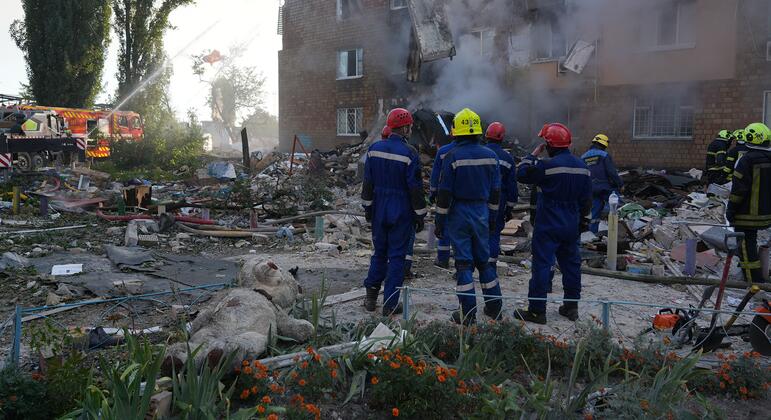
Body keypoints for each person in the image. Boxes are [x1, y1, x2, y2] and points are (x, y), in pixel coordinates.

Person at [514, 123, 592, 324]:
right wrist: (583, 221)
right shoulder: (583, 168)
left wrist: (532, 155)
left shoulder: (546, 167)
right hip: (571, 224)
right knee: (572, 266)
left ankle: (537, 311)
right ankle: (571, 307)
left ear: (549, 145)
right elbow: (587, 201)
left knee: (542, 266)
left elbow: (521, 173)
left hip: (548, 223)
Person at [435, 108, 502, 325]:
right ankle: (494, 306)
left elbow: (444, 193)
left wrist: (440, 222)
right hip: (481, 212)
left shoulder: (453, 156)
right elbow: (495, 192)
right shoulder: (491, 156)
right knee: (484, 261)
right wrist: (492, 218)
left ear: (457, 131)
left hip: (459, 213)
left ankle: (467, 312)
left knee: (464, 263)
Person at [362, 109, 427, 315]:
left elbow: (368, 183)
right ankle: (390, 305)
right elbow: (415, 188)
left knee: (378, 254)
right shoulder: (410, 153)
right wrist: (420, 214)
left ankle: (370, 298)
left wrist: (368, 208)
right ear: (406, 127)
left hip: (380, 208)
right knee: (397, 257)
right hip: (401, 210)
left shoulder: (374, 149)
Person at [727, 122, 771, 284]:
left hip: (746, 215)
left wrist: (731, 210)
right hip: (766, 213)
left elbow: (738, 190)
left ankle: (753, 282)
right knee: (751, 245)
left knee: (746, 248)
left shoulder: (746, 160)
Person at [484, 122, 518, 268]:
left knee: (474, 233)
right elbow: (512, 186)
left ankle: (468, 266)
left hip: (479, 198)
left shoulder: (480, 152)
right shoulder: (508, 158)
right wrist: (509, 208)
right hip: (499, 201)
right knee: (494, 232)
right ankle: (490, 266)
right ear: (502, 138)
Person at [580, 134, 623, 234]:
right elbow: (612, 172)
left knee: (594, 213)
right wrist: (620, 184)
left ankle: (592, 235)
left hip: (591, 189)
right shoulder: (604, 155)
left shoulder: (583, 157)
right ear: (604, 145)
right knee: (615, 203)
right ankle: (612, 225)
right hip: (605, 187)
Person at [429, 133, 456, 268]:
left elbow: (435, 174)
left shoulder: (443, 151)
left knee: (443, 226)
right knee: (461, 230)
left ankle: (443, 260)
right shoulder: (480, 152)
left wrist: (433, 192)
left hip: (445, 194)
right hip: (466, 198)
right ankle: (462, 263)